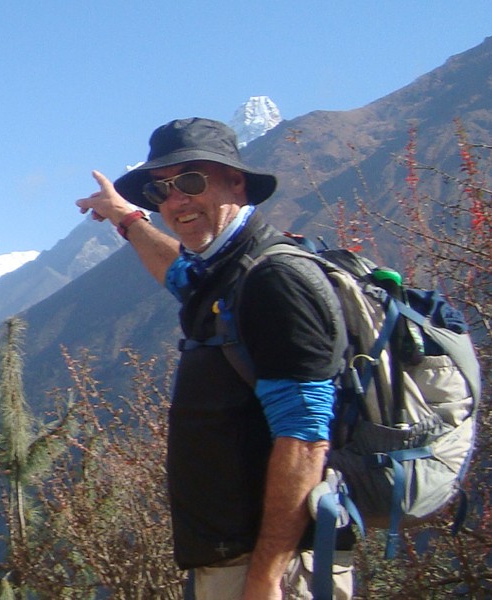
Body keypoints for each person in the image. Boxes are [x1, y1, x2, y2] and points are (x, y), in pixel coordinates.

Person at [75, 118, 352, 599]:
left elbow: (304, 440)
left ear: (235, 182)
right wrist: (126, 218)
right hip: (234, 557)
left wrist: (264, 580)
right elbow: (181, 274)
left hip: (273, 565)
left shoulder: (275, 280)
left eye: (190, 182)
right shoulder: (228, 269)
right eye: (160, 190)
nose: (174, 201)